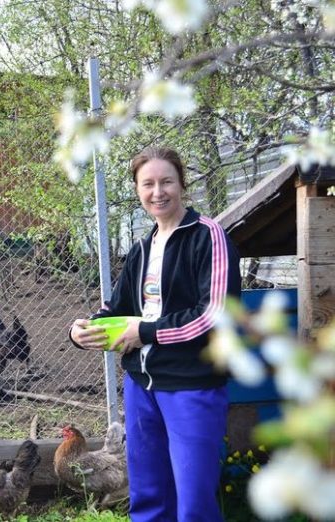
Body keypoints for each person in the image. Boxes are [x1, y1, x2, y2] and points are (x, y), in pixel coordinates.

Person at [69, 146, 241, 522]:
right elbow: (117, 308)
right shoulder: (142, 247)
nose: (157, 192)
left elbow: (213, 315)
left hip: (191, 386)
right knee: (148, 495)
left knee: (194, 501)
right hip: (140, 388)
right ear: (137, 190)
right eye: (148, 183)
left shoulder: (208, 237)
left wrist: (144, 331)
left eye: (166, 181)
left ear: (182, 184)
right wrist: (81, 330)